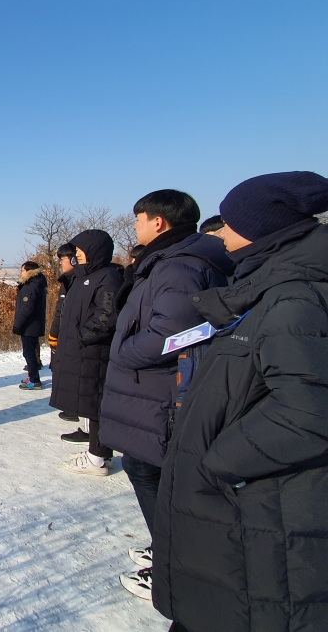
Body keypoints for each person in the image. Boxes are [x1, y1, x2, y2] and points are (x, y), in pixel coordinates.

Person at [152, 172, 328, 632]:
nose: (222, 232)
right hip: (251, 502)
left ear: (264, 226)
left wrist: (219, 461)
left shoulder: (295, 298)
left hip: (261, 504)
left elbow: (309, 412)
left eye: (231, 222)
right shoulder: (274, 285)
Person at [97, 190, 232, 601]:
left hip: (163, 392)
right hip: (155, 391)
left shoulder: (179, 267)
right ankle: (168, 549)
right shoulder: (172, 261)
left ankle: (174, 564)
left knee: (151, 471)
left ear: (159, 222)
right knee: (147, 468)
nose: (134, 226)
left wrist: (122, 353)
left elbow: (173, 334)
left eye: (138, 219)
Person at [48, 229, 122, 474]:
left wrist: (82, 337)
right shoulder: (83, 277)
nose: (76, 256)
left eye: (80, 252)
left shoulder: (107, 277)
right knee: (91, 406)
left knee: (97, 404)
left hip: (94, 352)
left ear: (94, 252)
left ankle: (97, 459)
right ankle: (99, 454)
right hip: (82, 352)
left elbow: (106, 315)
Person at [48, 243, 78, 421]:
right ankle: (70, 407)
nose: (60, 262)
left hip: (72, 336)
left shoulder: (78, 282)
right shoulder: (67, 281)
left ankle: (76, 410)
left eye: (62, 259)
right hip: (63, 333)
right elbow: (60, 310)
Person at [13, 261, 48, 390]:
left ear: (28, 271)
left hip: (29, 326)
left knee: (29, 353)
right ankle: (32, 376)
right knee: (30, 352)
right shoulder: (37, 284)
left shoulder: (30, 287)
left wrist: (17, 324)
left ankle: (34, 380)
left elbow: (27, 308)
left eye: (22, 270)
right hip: (34, 325)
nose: (21, 272)